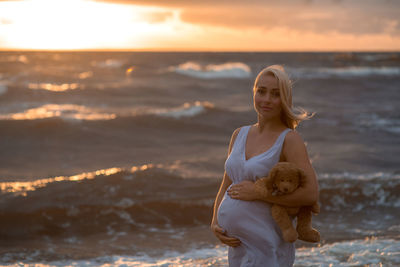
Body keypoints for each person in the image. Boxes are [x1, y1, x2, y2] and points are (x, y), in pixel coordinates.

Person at [210, 65, 319, 267]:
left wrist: (259, 193)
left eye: (275, 94)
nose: (267, 99)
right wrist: (215, 222)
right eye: (262, 91)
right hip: (239, 247)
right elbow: (227, 183)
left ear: (284, 100)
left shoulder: (290, 139)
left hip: (268, 245)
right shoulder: (239, 134)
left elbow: (311, 194)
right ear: (254, 92)